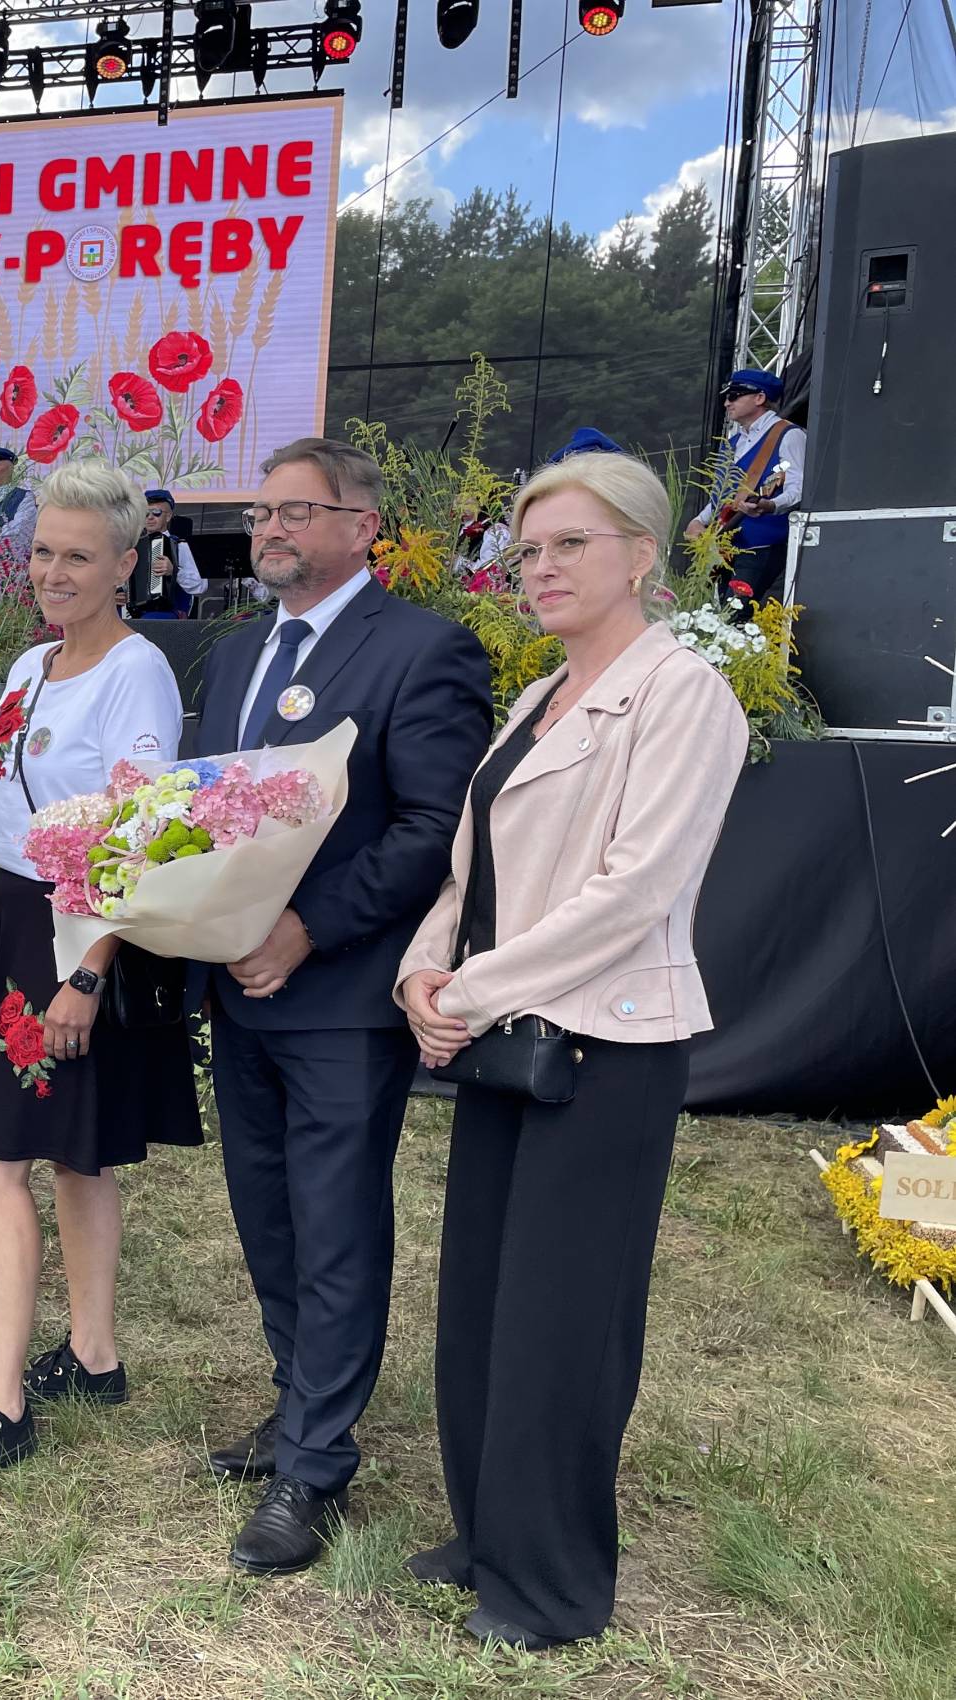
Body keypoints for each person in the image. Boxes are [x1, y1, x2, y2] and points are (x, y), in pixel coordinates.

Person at [396, 451, 748, 1652]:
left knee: (563, 1321)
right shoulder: (538, 694)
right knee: (482, 1303)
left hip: (604, 1050)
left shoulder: (683, 694)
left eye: (569, 545)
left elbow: (633, 891)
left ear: (642, 555)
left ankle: (549, 1585)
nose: (538, 568)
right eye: (527, 549)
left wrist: (470, 989)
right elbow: (473, 871)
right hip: (505, 1036)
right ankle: (487, 1532)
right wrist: (422, 969)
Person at [191, 438, 492, 1575]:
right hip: (239, 989)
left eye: (295, 511)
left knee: (334, 1224)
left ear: (364, 527)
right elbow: (208, 812)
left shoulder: (422, 649)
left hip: (340, 996)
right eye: (261, 512)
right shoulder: (237, 654)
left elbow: (434, 828)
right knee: (266, 1214)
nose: (268, 529)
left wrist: (306, 928)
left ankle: (315, 1466)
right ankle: (298, 1404)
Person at [0, 460, 204, 1489]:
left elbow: (140, 830)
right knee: (76, 1157)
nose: (53, 571)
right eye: (42, 550)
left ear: (126, 563)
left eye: (78, 555)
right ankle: (93, 1354)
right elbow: (1, 823)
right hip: (15, 928)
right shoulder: (28, 667)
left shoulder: (137, 670)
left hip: (83, 931)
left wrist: (85, 973)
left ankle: (3, 1404)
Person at [684, 368, 806, 604]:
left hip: (762, 544)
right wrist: (699, 520)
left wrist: (770, 504)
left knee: (736, 613)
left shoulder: (788, 435)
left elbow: (798, 488)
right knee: (715, 613)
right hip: (725, 545)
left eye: (734, 396)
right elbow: (722, 497)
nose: (727, 403)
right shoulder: (731, 443)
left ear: (759, 398)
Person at [131, 488, 207, 617]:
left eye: (156, 512)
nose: (150, 517)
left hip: (167, 613)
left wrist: (174, 571)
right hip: (131, 612)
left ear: (168, 516)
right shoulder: (132, 546)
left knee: (153, 618)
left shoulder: (181, 546)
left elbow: (201, 586)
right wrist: (118, 593)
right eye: (145, 513)